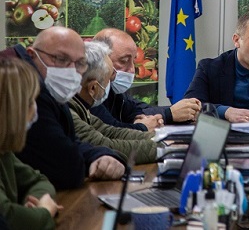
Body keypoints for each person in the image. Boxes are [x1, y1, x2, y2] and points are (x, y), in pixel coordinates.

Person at [0, 27, 126, 190]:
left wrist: (97, 155)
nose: (70, 70)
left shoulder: (52, 90)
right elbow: (67, 170)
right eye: (60, 59)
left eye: (80, 63)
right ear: (32, 55)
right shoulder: (27, 91)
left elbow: (69, 142)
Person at [92, 28, 201, 131]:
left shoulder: (114, 91)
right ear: (102, 59)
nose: (131, 70)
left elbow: (135, 111)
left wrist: (139, 119)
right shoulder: (90, 94)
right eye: (124, 61)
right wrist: (167, 115)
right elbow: (111, 130)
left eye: (134, 61)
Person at [68, 41, 157, 164]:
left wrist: (163, 138)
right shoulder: (68, 109)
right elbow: (105, 145)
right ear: (93, 88)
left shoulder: (79, 105)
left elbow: (109, 131)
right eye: (109, 79)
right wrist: (163, 148)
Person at [0, 58, 62, 229]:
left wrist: (35, 208)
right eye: (31, 101)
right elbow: (8, 218)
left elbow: (38, 181)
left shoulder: (4, 152)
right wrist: (44, 211)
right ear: (14, 109)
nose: (35, 108)